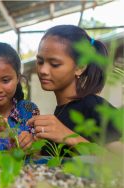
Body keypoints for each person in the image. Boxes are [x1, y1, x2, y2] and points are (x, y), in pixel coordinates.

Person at [26, 24, 123, 155]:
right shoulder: (60, 113)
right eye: (40, 61)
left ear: (80, 68)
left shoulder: (94, 106)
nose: (43, 70)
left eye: (55, 64)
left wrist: (69, 137)